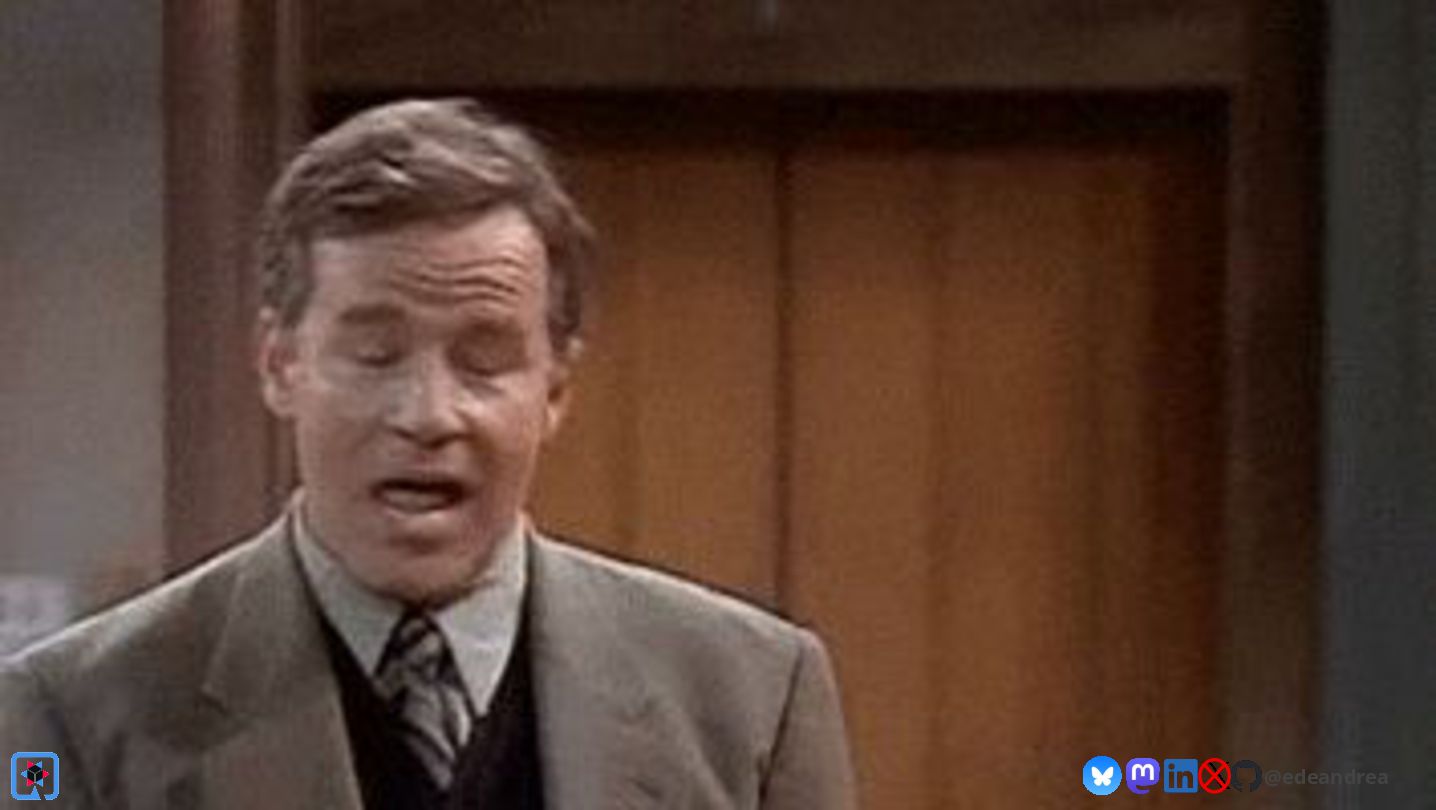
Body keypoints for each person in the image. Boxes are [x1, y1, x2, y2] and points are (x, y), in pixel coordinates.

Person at [0, 99, 855, 809]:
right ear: (279, 365)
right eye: (375, 356)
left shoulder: (751, 702)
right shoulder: (69, 717)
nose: (428, 415)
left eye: (483, 361)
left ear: (556, 387)